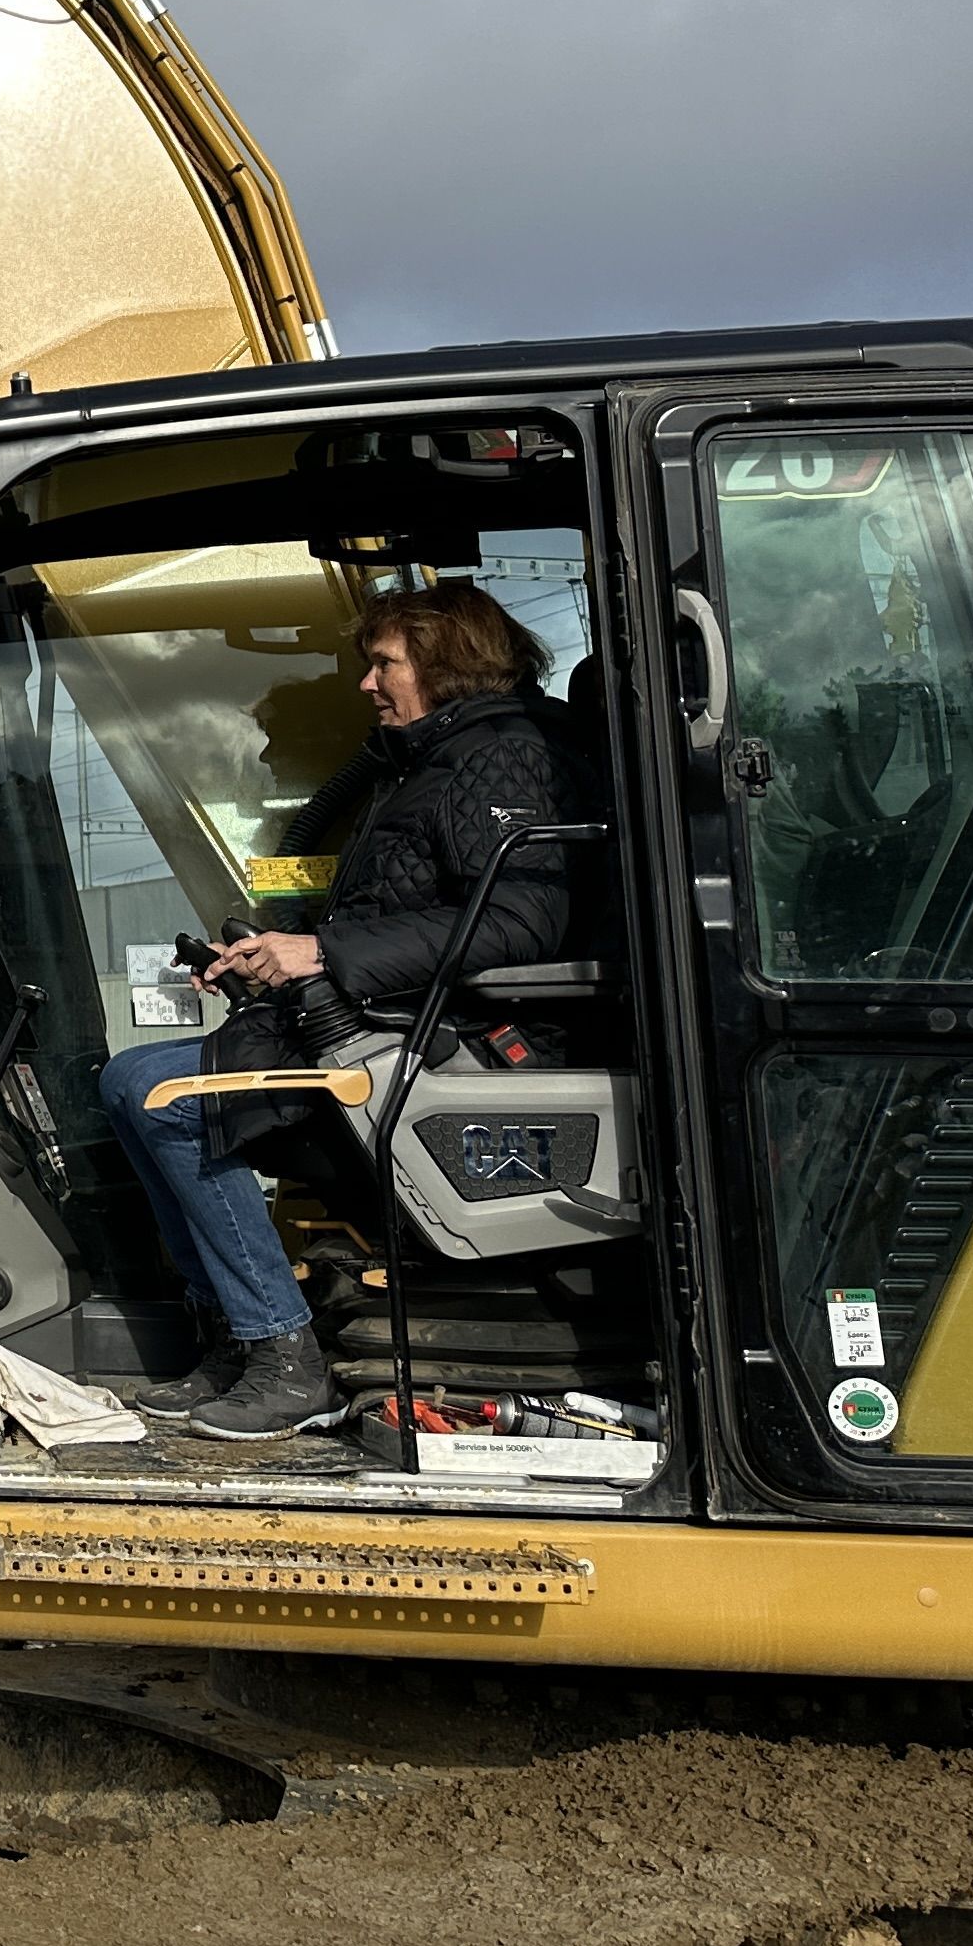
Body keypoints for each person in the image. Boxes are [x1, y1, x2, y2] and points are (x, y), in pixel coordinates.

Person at [101, 580, 597, 1441]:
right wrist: (274, 950)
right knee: (129, 1076)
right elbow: (394, 906)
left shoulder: (505, 756)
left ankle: (281, 1354)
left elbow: (523, 921)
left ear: (447, 666)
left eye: (383, 663)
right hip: (384, 1019)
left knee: (166, 1100)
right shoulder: (428, 760)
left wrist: (321, 954)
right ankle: (232, 1334)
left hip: (450, 1039)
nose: (366, 684)